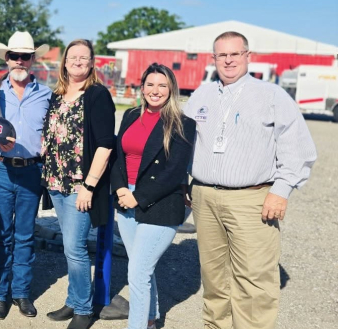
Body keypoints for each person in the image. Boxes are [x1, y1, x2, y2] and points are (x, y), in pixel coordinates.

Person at [185, 31, 317, 329]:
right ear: (213, 59)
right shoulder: (201, 96)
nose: (228, 60)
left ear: (248, 56)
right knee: (214, 277)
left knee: (254, 280)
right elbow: (183, 142)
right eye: (222, 55)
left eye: (235, 54)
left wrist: (281, 190)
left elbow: (297, 148)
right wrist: (184, 181)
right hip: (204, 198)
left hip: (252, 199)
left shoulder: (271, 96)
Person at [110, 63, 195, 329]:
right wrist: (121, 188)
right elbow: (118, 157)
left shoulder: (183, 124)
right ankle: (150, 318)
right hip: (126, 199)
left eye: (162, 85)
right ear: (142, 86)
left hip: (159, 204)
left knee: (137, 272)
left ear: (171, 90)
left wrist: (139, 196)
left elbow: (175, 171)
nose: (155, 91)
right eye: (150, 84)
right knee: (142, 267)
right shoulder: (131, 115)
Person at [39, 39, 115, 329]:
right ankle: (74, 300)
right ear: (65, 62)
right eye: (73, 57)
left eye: (84, 57)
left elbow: (106, 146)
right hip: (56, 183)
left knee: (74, 247)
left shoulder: (97, 95)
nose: (78, 61)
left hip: (79, 186)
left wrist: (90, 185)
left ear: (93, 63)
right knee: (71, 248)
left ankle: (84, 308)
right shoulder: (58, 95)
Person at [0, 31, 51, 320]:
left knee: (25, 235)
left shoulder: (48, 94)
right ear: (7, 58)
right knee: (1, 234)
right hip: (1, 168)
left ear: (33, 59)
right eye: (15, 56)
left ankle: (21, 293)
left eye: (25, 56)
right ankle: (0, 294)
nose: (20, 61)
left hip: (31, 170)